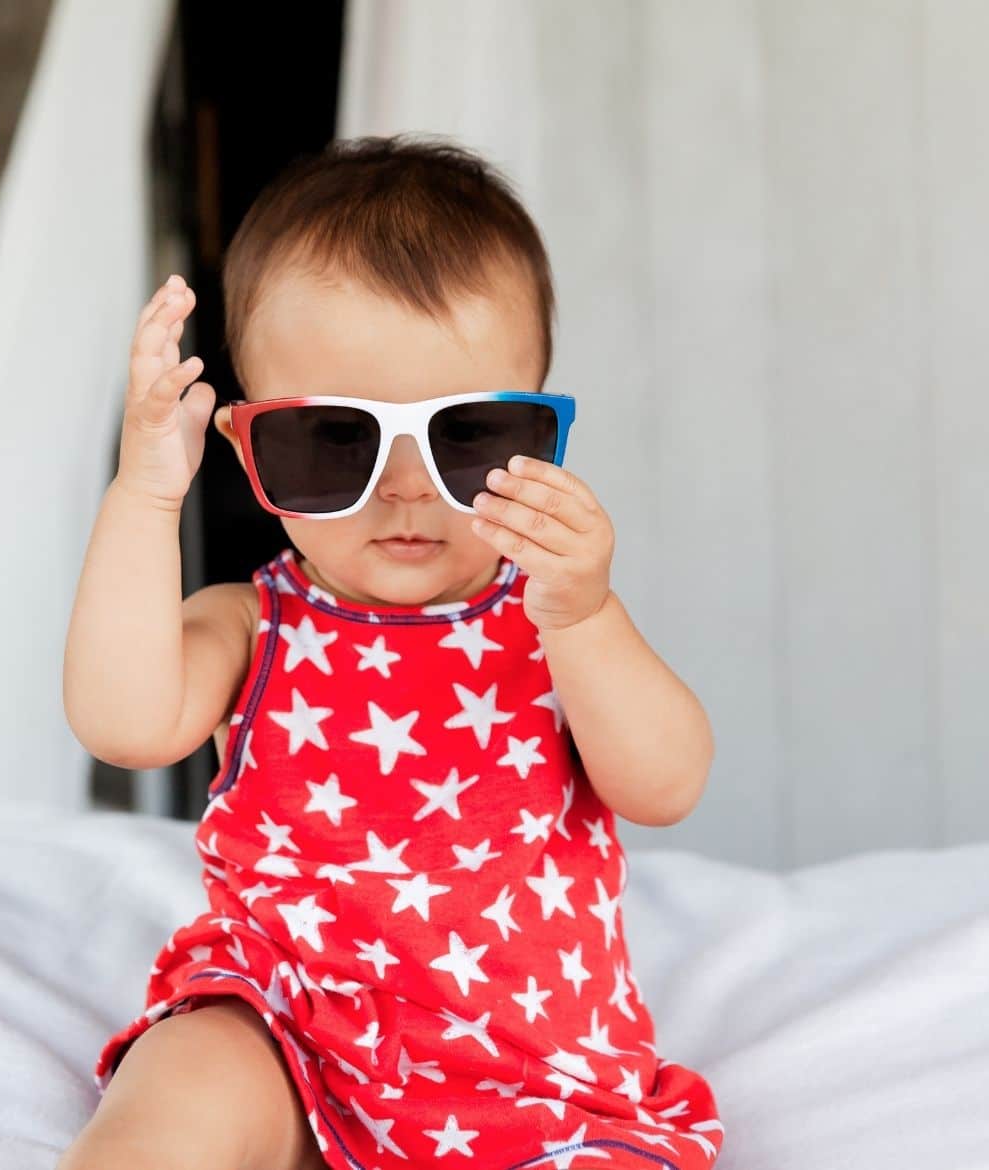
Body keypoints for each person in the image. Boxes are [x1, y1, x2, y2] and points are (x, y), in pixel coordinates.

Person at [57, 134, 725, 1170]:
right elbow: (124, 720)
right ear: (243, 449)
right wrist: (145, 493)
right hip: (287, 1025)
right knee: (183, 1086)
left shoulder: (550, 620)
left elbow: (666, 782)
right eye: (333, 439)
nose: (407, 487)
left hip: (525, 1065)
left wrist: (588, 618)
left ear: (541, 437)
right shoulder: (252, 621)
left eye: (468, 436)